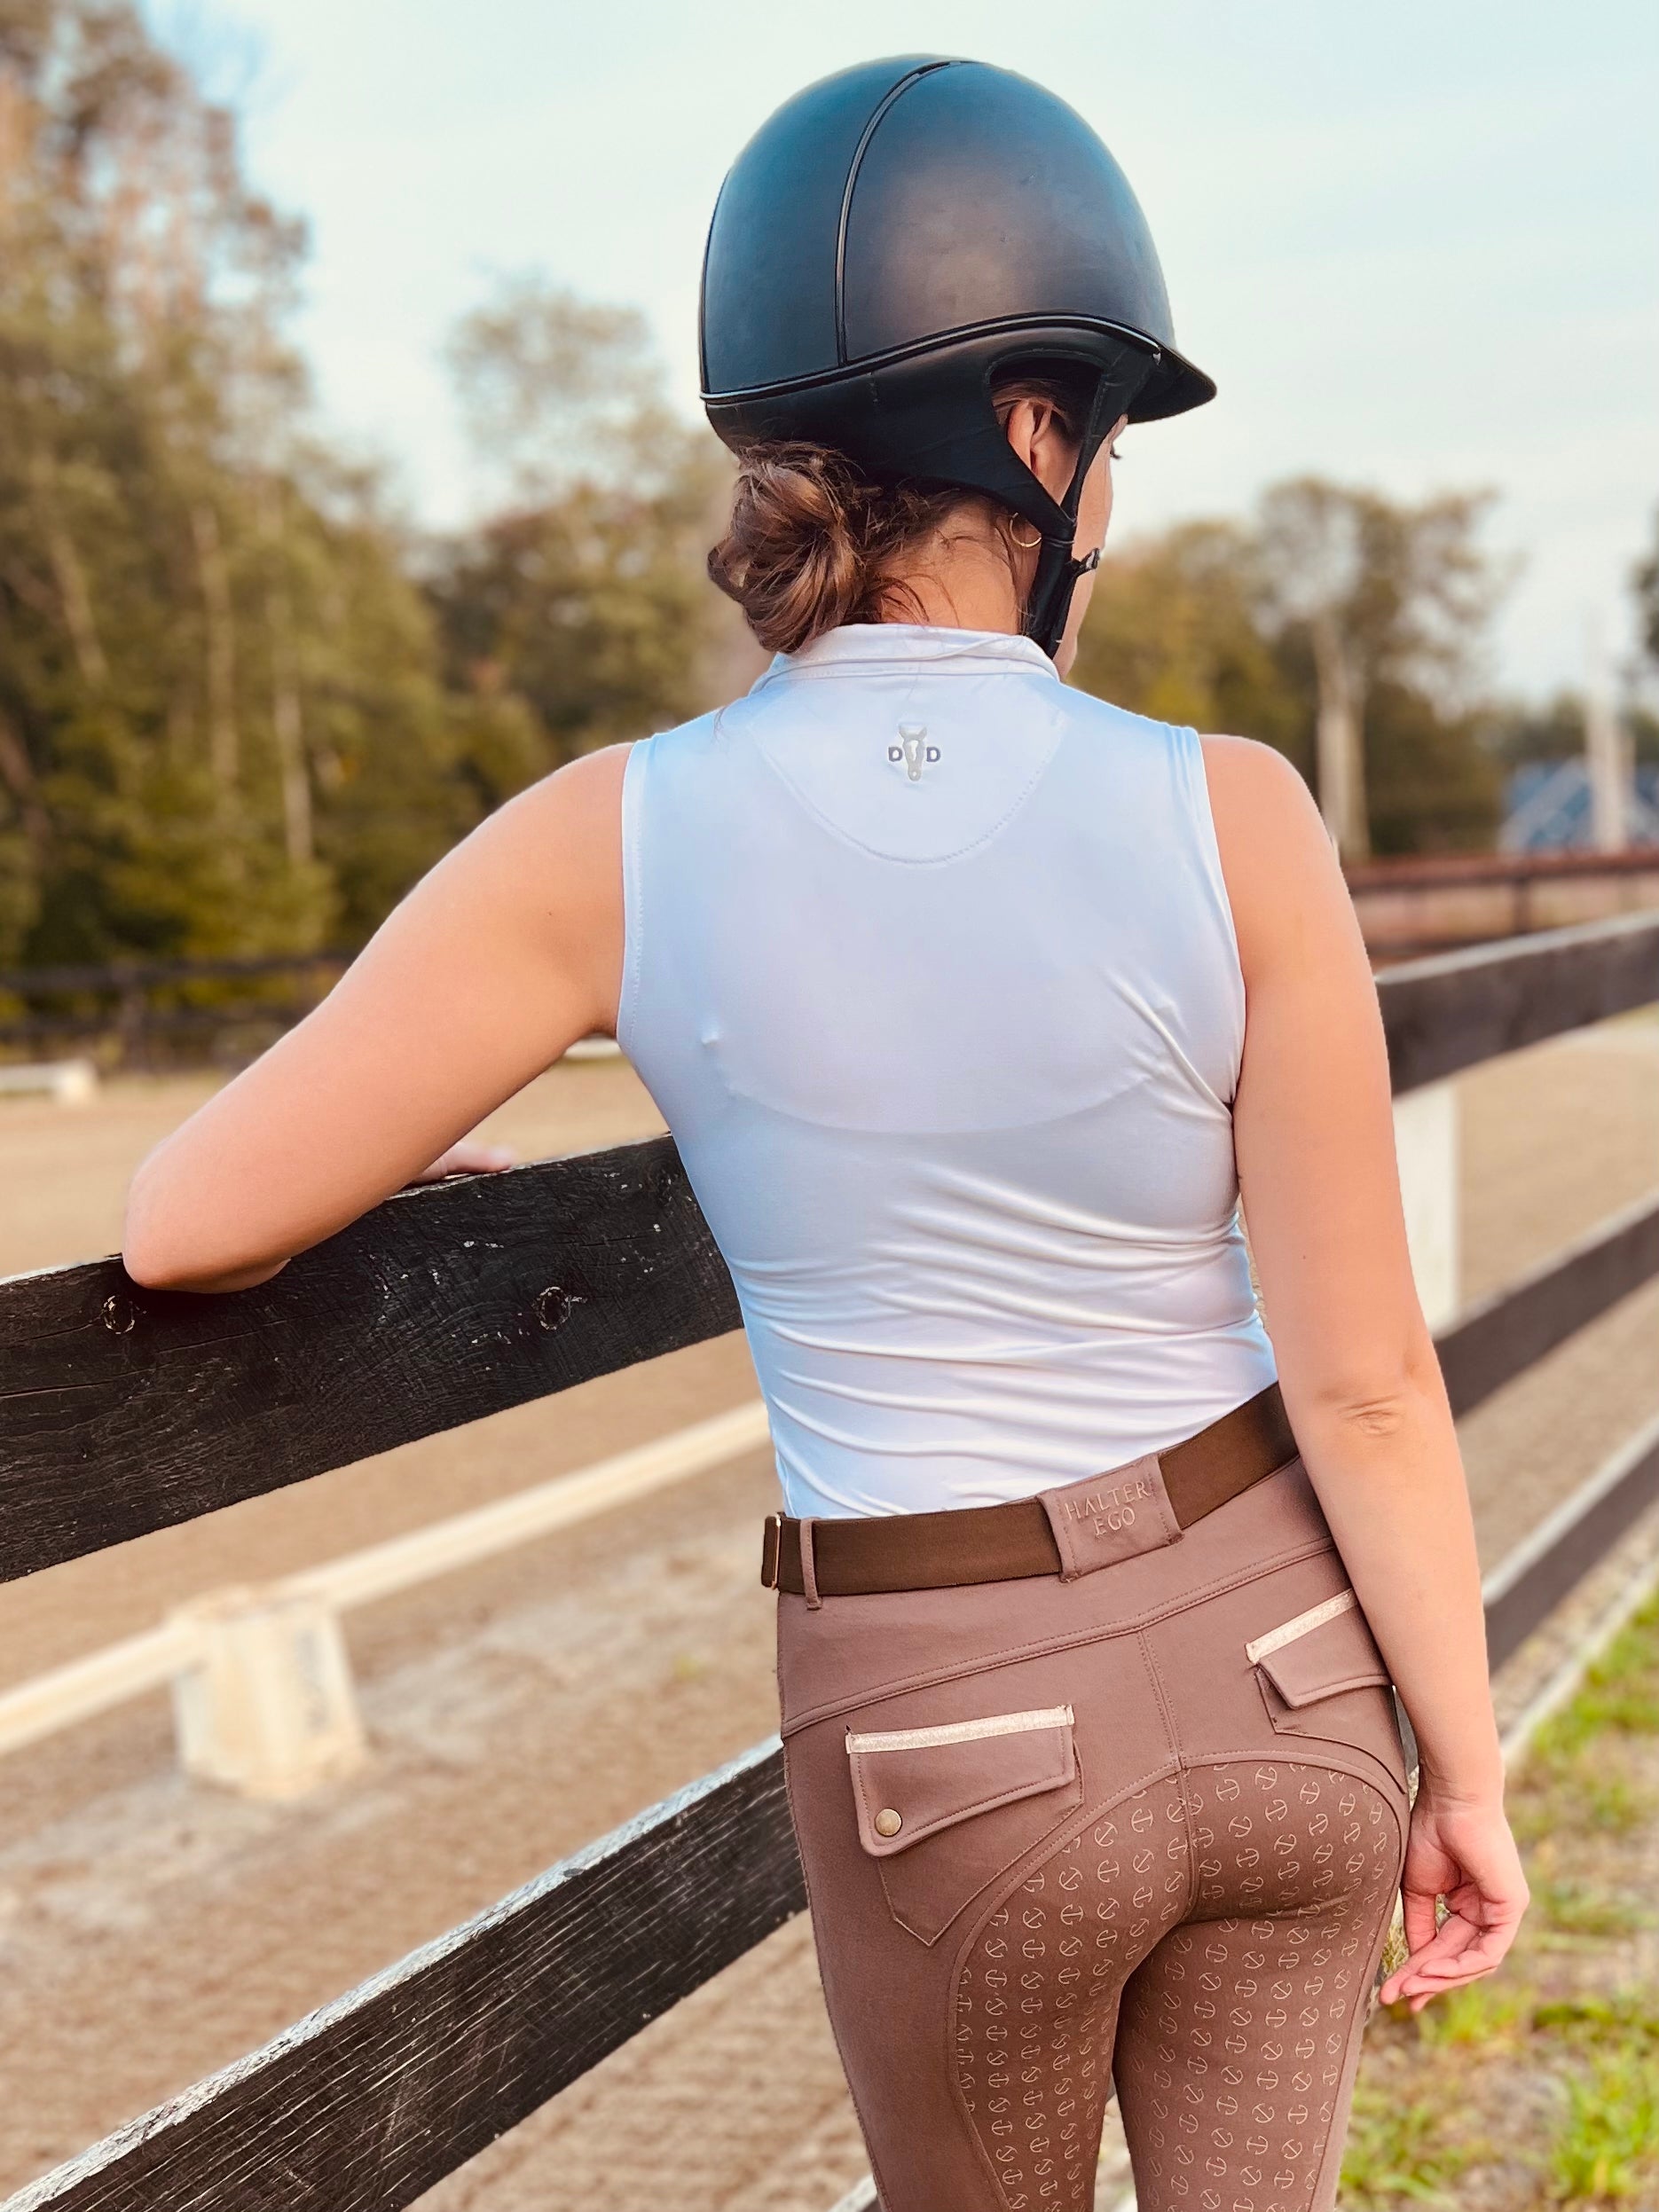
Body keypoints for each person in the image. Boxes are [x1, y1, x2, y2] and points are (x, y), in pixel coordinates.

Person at [123, 56, 1527, 2212]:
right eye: (1107, 442)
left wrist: (403, 1179)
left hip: (949, 1733)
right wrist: (1464, 1772)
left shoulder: (607, 837)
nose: (1109, 499)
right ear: (1034, 437)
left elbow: (185, 1221)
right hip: (1287, 1673)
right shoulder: (1235, 808)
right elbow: (1362, 1381)